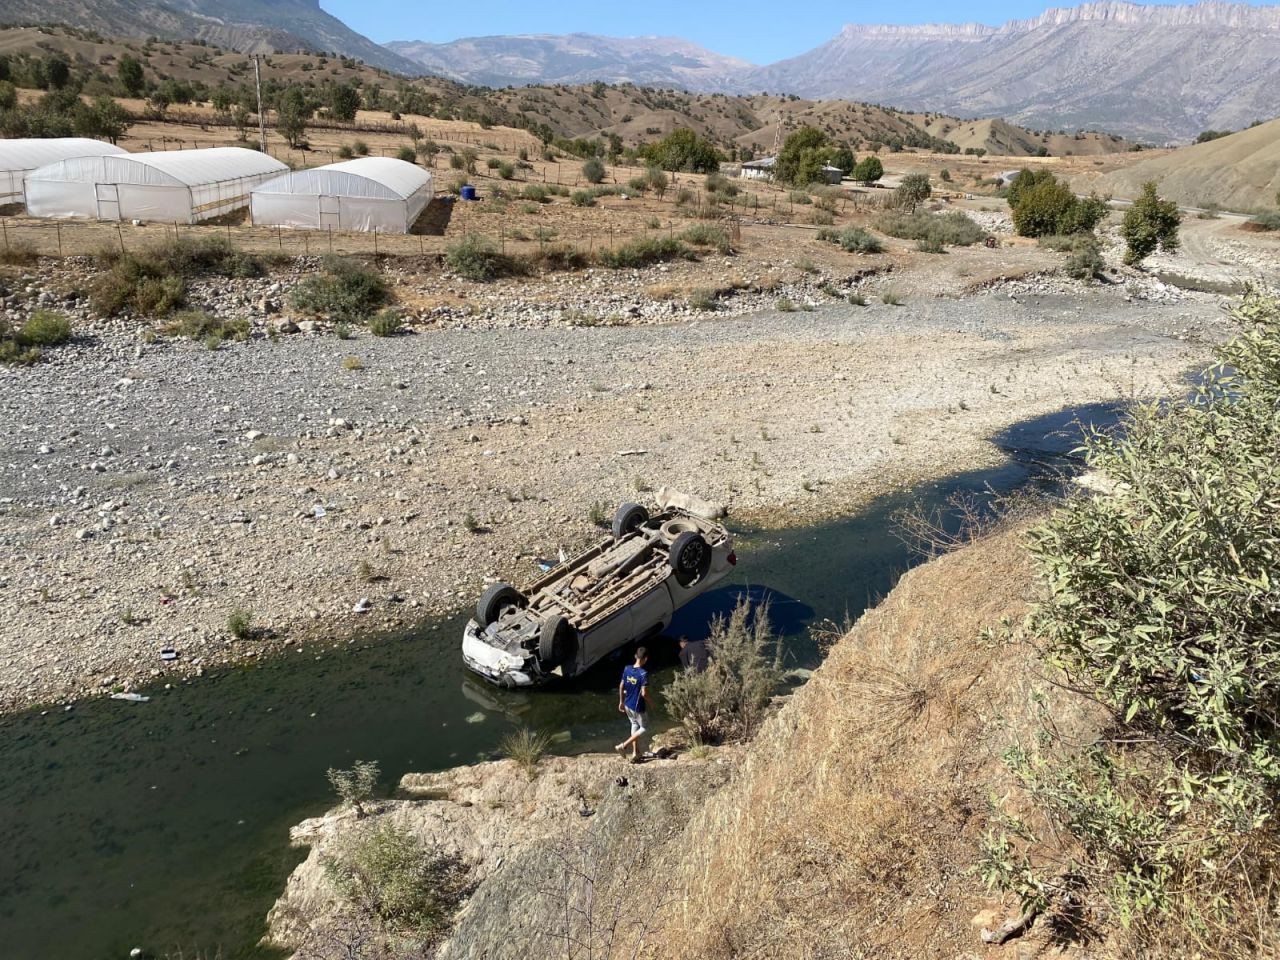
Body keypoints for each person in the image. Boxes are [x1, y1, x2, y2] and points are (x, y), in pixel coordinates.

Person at [615, 646, 650, 762]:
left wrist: (621, 701)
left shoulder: (627, 669)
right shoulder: (643, 673)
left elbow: (621, 686)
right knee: (644, 727)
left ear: (636, 656)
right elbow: (644, 694)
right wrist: (652, 702)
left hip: (627, 704)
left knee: (634, 724)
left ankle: (635, 753)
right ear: (646, 658)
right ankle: (623, 745)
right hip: (637, 706)